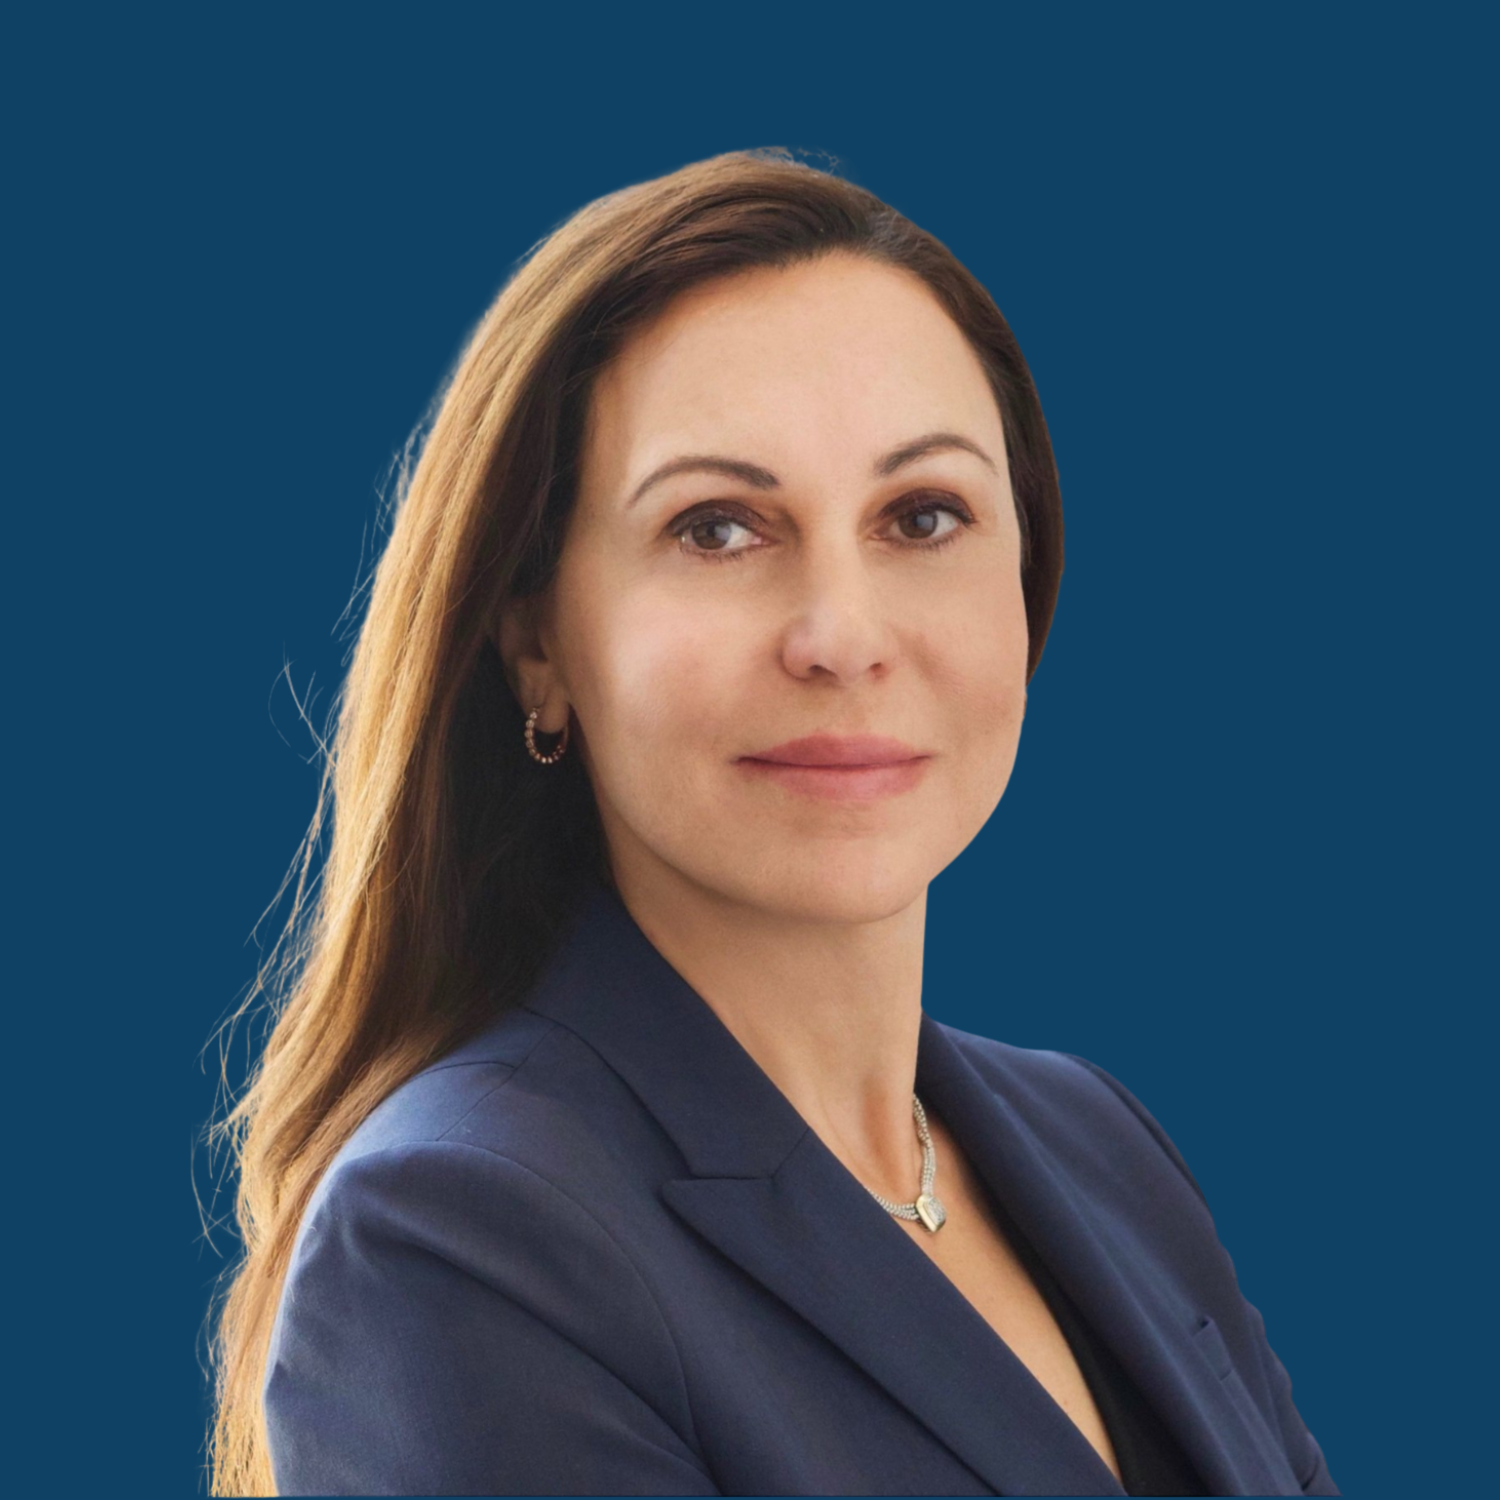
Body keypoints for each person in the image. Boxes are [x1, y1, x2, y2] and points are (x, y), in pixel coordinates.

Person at [204, 148, 1339, 1497]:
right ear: (536, 645)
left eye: (924, 516)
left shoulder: (1100, 1148)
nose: (843, 635)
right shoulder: (463, 1232)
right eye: (719, 530)